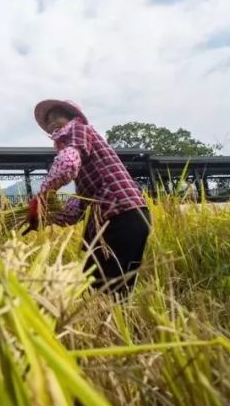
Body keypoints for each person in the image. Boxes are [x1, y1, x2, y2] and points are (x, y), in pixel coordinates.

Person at [25, 99, 151, 297]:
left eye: (56, 116)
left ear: (71, 117)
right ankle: (120, 324)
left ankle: (113, 323)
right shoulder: (84, 153)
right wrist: (45, 215)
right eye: (47, 121)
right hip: (132, 217)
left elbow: (66, 164)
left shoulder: (79, 130)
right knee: (114, 289)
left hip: (120, 216)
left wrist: (42, 196)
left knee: (101, 287)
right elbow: (76, 209)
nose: (51, 124)